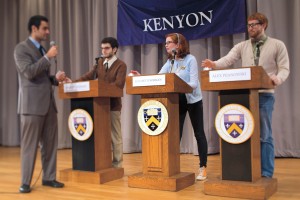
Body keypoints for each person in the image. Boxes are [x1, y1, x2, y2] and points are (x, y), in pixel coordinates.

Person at [202, 12, 290, 178]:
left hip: (264, 95)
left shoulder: (277, 45)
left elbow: (284, 68)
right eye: (249, 25)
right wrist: (213, 64)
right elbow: (228, 59)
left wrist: (277, 78)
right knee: (244, 133)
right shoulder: (242, 46)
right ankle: (246, 169)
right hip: (243, 96)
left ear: (263, 25)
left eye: (254, 24)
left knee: (265, 136)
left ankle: (266, 172)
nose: (251, 28)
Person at [14, 15, 67, 193]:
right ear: (34, 29)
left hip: (48, 104)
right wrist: (47, 57)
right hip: (31, 106)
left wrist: (55, 79)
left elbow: (42, 78)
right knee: (30, 146)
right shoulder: (21, 49)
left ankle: (49, 177)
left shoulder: (42, 49)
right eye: (44, 28)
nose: (47, 32)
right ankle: (25, 182)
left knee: (50, 144)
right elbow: (28, 73)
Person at [160, 33, 208, 181]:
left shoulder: (190, 60)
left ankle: (203, 167)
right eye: (166, 42)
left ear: (179, 44)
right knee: (175, 134)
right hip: (178, 100)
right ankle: (172, 166)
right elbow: (158, 77)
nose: (166, 45)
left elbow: (194, 82)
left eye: (169, 42)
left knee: (199, 133)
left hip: (193, 99)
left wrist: (179, 84)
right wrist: (140, 76)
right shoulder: (170, 63)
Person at [74, 37, 127, 168]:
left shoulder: (121, 65)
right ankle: (103, 162)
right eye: (102, 48)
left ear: (114, 49)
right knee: (101, 135)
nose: (103, 50)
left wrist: (101, 87)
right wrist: (72, 84)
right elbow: (87, 76)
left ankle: (117, 164)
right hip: (99, 106)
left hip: (113, 105)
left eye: (107, 48)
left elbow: (119, 85)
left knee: (115, 136)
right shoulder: (99, 63)